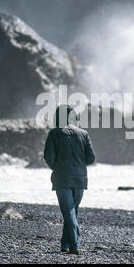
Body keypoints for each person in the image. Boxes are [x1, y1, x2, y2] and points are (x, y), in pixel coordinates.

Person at [44, 105, 96, 255]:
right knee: (72, 211)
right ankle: (65, 245)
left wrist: (58, 168)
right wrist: (79, 165)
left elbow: (48, 157)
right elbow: (91, 158)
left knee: (69, 212)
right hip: (80, 179)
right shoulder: (83, 134)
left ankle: (75, 246)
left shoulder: (54, 133)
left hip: (62, 178)